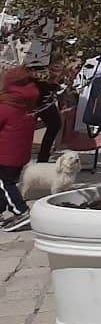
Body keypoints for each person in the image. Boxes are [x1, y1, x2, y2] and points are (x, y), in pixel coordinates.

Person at [0, 66, 40, 231]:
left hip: (5, 154)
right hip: (19, 153)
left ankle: (21, 211)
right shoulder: (27, 104)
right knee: (5, 183)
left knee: (4, 183)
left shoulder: (7, 105)